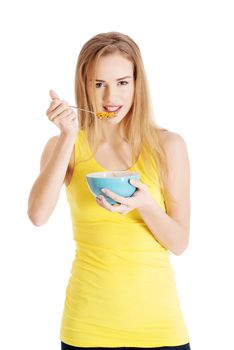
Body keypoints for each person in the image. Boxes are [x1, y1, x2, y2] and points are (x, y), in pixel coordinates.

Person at [27, 32, 191, 350]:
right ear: (84, 85)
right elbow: (37, 215)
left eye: (122, 83)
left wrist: (145, 204)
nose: (110, 97)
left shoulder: (169, 146)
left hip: (160, 329)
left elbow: (180, 243)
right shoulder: (66, 146)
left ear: (137, 84)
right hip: (86, 328)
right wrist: (67, 136)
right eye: (98, 83)